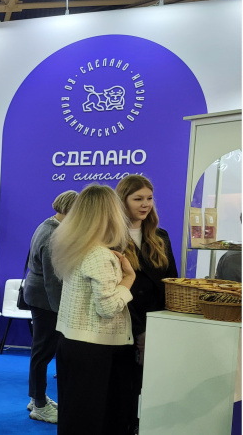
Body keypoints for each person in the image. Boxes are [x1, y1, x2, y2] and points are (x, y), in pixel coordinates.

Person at [51, 184, 135, 435]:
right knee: (93, 420)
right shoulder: (99, 254)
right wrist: (128, 279)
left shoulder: (74, 247)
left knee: (74, 417)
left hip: (71, 342)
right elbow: (107, 307)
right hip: (95, 348)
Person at [116, 174, 178, 432]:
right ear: (123, 201)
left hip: (158, 323)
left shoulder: (160, 235)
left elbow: (171, 281)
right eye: (138, 199)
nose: (145, 204)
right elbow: (115, 288)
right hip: (124, 323)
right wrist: (140, 330)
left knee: (152, 388)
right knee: (125, 391)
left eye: (149, 198)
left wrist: (165, 323)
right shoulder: (112, 237)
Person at [23, 189, 78, 424]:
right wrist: (60, 311)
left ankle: (36, 398)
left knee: (41, 352)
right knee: (42, 353)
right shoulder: (53, 235)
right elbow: (52, 280)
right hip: (45, 301)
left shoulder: (49, 225)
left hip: (40, 298)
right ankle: (39, 405)